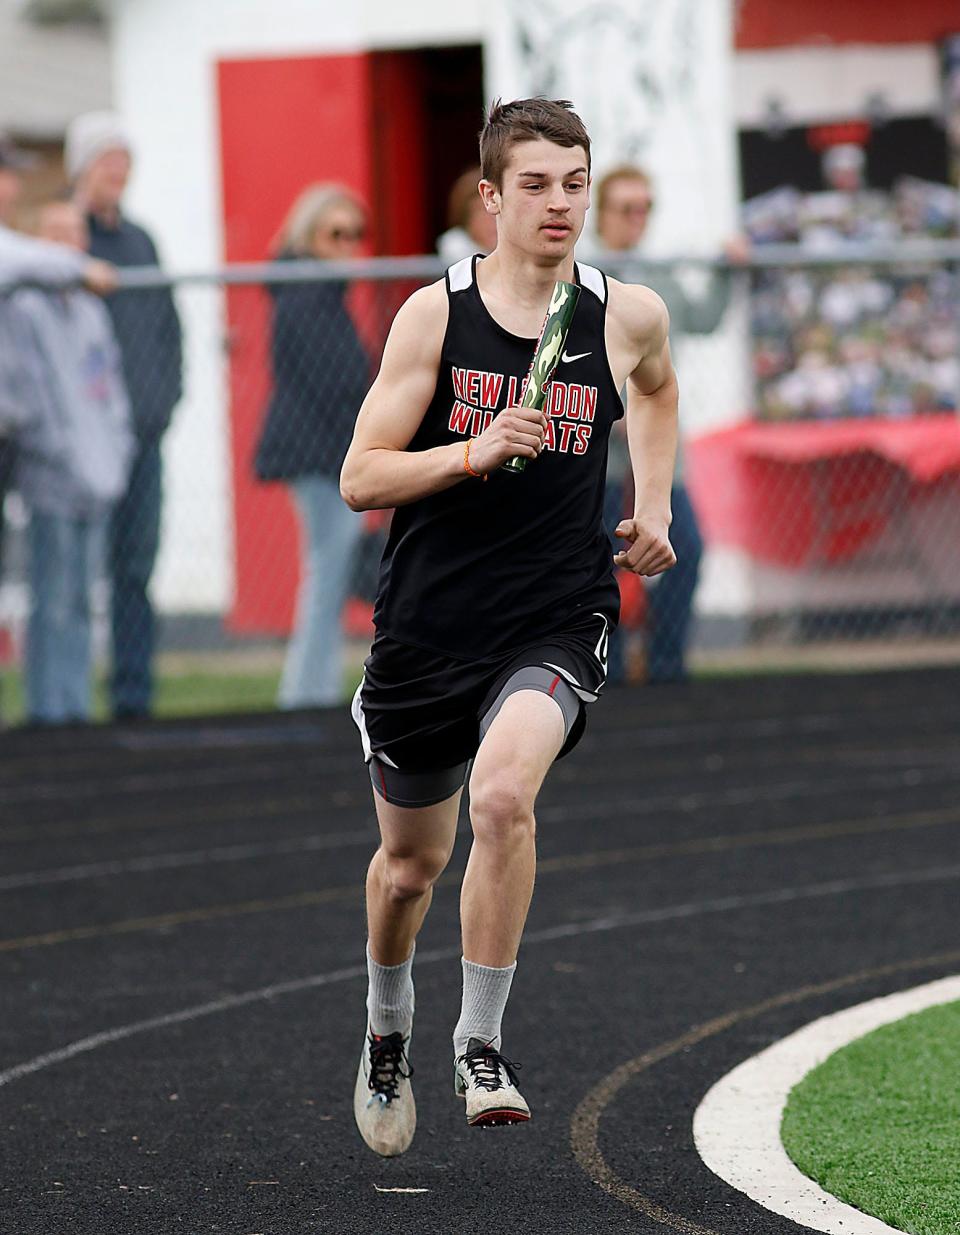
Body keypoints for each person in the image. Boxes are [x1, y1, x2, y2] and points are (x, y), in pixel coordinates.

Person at [339, 98, 678, 1156]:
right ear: (491, 198)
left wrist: (655, 502)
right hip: (429, 629)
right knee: (407, 867)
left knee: (503, 793)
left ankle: (479, 1038)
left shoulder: (625, 314)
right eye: (536, 184)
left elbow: (659, 392)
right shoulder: (435, 315)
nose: (561, 203)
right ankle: (386, 1020)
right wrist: (472, 450)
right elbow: (361, 475)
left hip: (557, 614)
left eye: (574, 183)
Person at [586, 164, 748, 683]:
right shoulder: (581, 276)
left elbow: (703, 318)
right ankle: (596, 667)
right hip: (597, 460)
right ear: (602, 213)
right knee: (596, 565)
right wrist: (608, 415)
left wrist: (729, 269)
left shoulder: (659, 274)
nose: (637, 220)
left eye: (645, 208)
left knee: (686, 551)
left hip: (656, 458)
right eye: (627, 209)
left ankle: (665, 664)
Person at [66, 111, 182, 720]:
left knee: (136, 568)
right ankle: (66, 704)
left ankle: (133, 697)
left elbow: (166, 327)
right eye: (107, 159)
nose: (118, 171)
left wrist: (164, 401)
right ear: (82, 167)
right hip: (84, 442)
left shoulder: (140, 240)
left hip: (143, 435)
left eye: (124, 160)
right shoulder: (67, 239)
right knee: (80, 573)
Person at [7, 201, 133, 724]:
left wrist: (116, 449)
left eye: (76, 235)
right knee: (52, 597)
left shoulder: (90, 310)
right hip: (52, 473)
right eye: (56, 234)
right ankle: (48, 712)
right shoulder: (23, 308)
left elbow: (107, 390)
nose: (69, 245)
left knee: (83, 598)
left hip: (95, 471)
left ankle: (76, 709)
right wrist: (61, 451)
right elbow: (33, 391)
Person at [254, 184, 370, 708]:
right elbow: (336, 379)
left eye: (354, 235)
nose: (346, 245)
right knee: (327, 571)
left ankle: (313, 688)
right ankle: (305, 694)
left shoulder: (322, 290)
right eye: (335, 233)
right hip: (318, 454)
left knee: (329, 569)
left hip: (330, 450)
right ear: (310, 233)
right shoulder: (305, 292)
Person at [436, 166, 499, 266]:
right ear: (466, 219)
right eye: (482, 211)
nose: (491, 218)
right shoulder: (455, 250)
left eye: (496, 206)